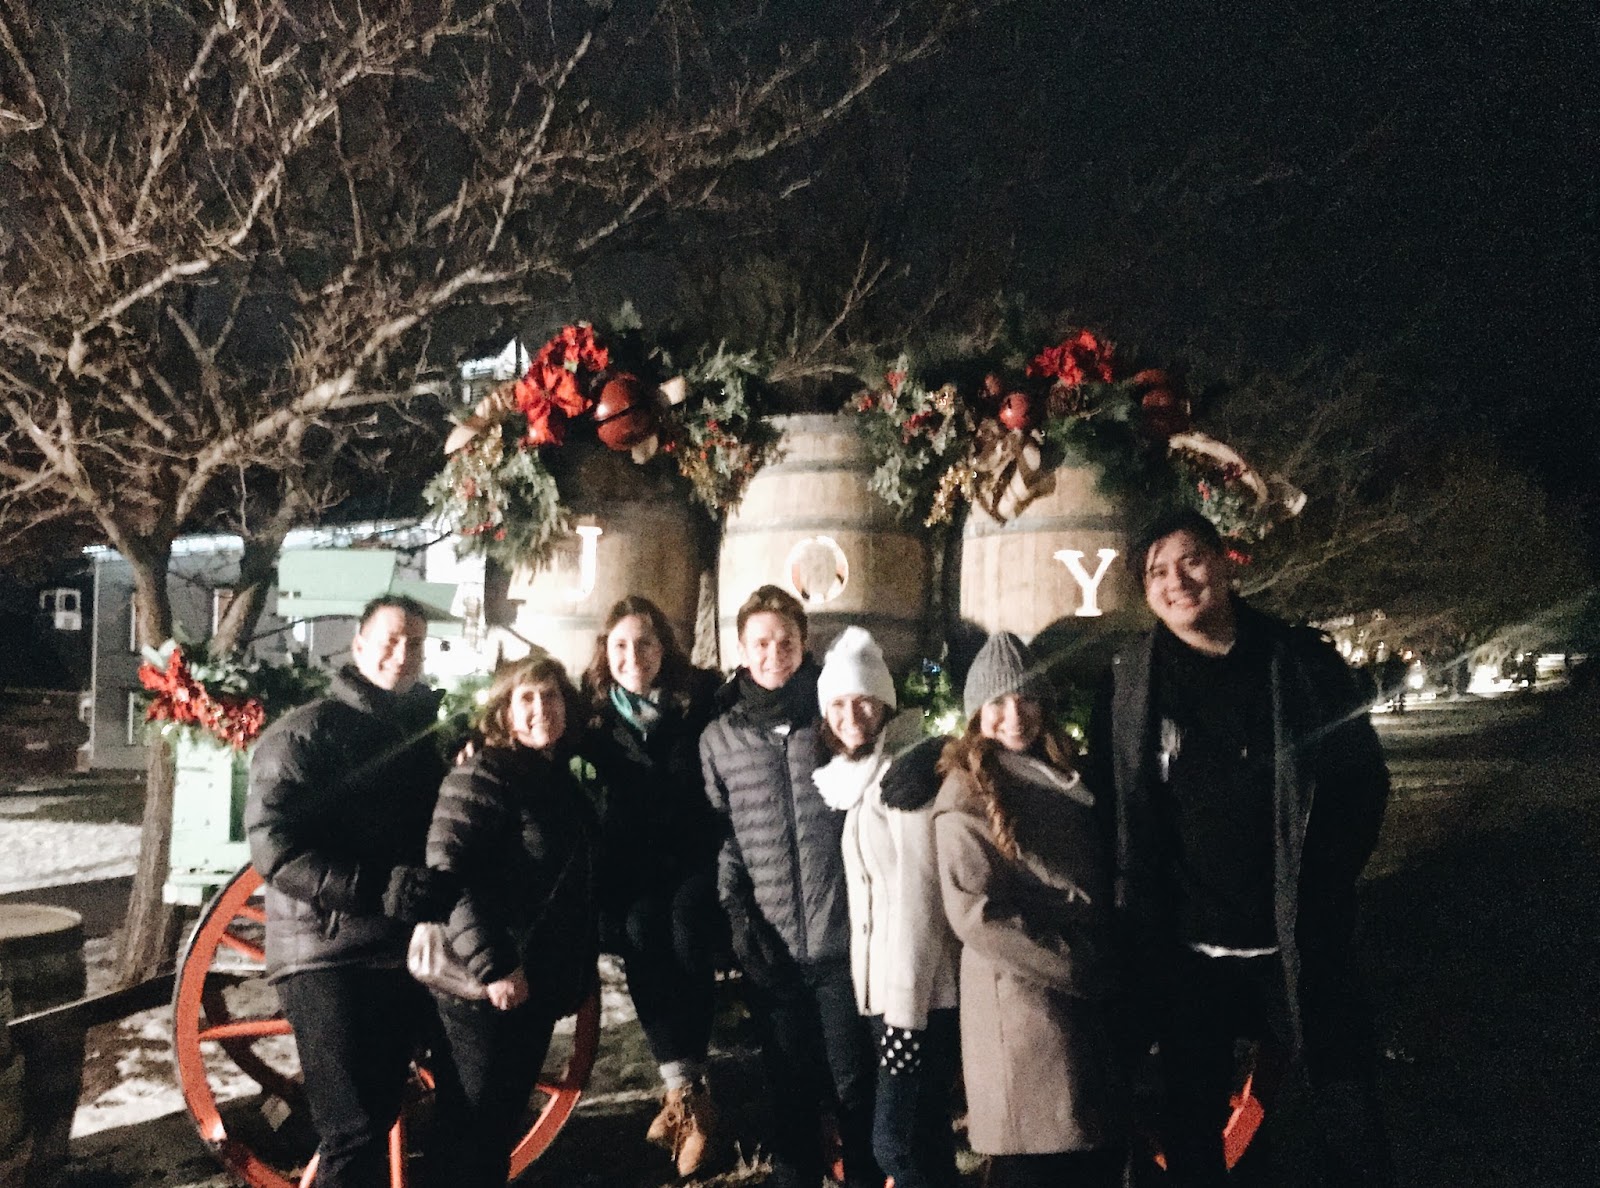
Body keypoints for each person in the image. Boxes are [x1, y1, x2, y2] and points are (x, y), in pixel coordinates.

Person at [1088, 506, 1393, 1186]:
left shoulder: (1299, 663)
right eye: (1157, 571)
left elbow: (1362, 783)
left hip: (1296, 938)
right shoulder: (1130, 681)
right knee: (1190, 1122)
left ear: (1224, 563)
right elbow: (1106, 801)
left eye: (1191, 560)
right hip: (1187, 950)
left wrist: (1322, 883)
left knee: (1343, 1103)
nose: (1176, 581)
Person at [245, 595, 457, 1188]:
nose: (403, 653)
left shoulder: (426, 739)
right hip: (327, 953)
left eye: (415, 643)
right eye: (390, 640)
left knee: (392, 1111)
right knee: (356, 1128)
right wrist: (379, 889)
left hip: (401, 950)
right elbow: (275, 849)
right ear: (359, 646)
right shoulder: (305, 733)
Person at [699, 586, 881, 1188]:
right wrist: (736, 914)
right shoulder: (720, 739)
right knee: (789, 1091)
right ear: (742, 649)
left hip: (841, 944)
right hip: (772, 948)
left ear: (804, 646)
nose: (773, 653)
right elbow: (726, 838)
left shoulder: (829, 722)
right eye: (761, 643)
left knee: (854, 1086)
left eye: (786, 641)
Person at [934, 630, 1128, 1188]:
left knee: (1091, 1160)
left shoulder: (1065, 775)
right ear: (977, 712)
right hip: (1025, 1007)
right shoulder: (966, 794)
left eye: (1026, 698)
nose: (1015, 715)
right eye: (998, 702)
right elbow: (977, 915)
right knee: (1039, 1162)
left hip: (1086, 1006)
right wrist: (1079, 963)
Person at [424, 654, 598, 1188]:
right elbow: (447, 870)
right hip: (482, 989)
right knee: (472, 1131)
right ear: (504, 711)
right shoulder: (484, 772)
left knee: (494, 1130)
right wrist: (494, 964)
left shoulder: (558, 781)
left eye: (551, 696)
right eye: (526, 698)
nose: (541, 708)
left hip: (533, 985)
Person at [580, 596, 726, 1176]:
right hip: (633, 868)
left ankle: (686, 1094)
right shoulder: (594, 718)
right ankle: (688, 1092)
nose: (633, 655)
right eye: (620, 644)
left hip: (695, 859)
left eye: (644, 643)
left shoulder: (700, 702)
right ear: (606, 652)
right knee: (641, 931)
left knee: (689, 929)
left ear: (664, 648)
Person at [813, 627, 962, 1188]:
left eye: (864, 701)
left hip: (918, 999)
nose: (851, 715)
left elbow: (919, 905)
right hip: (886, 997)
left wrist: (905, 1017)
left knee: (895, 1145)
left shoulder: (902, 778)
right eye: (838, 704)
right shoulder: (855, 779)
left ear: (885, 704)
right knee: (925, 1141)